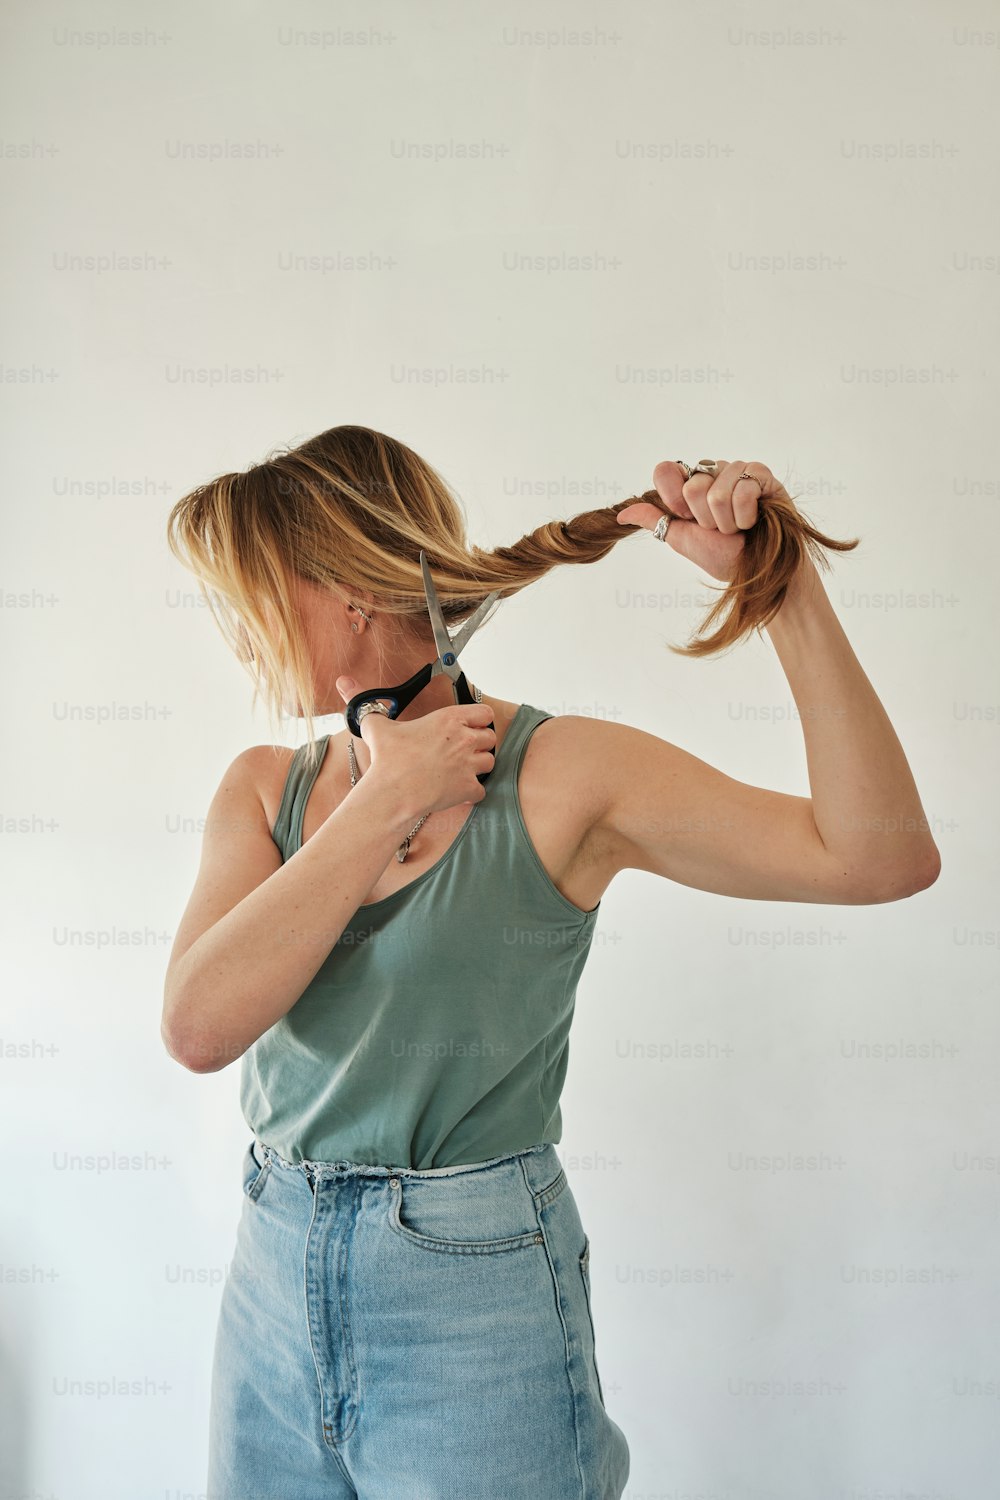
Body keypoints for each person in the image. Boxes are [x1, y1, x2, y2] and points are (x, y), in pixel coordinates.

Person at [160, 425, 940, 1499]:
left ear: (346, 590)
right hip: (270, 1279)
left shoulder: (562, 776)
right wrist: (382, 803)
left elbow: (877, 856)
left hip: (470, 1293)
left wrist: (783, 589)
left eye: (249, 590)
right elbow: (198, 1027)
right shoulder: (263, 789)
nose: (234, 628)